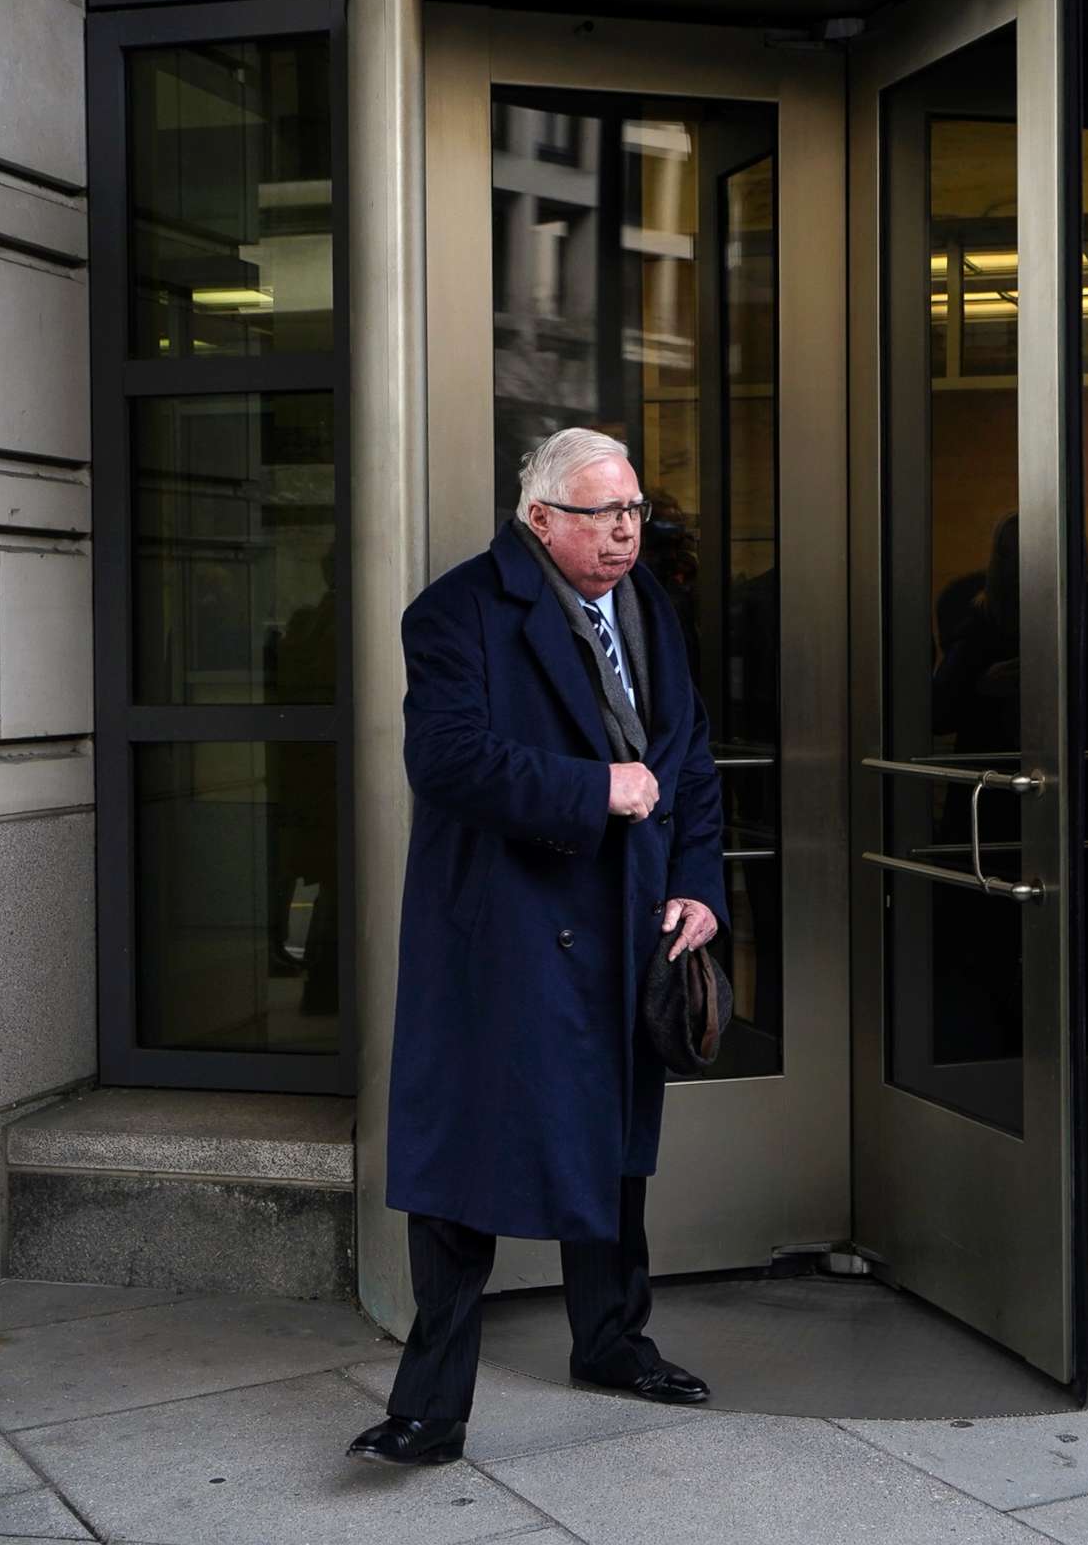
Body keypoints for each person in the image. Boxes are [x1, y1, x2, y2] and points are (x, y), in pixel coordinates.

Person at [347, 427, 729, 1470]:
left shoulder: (649, 605)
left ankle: (612, 1343)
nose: (624, 534)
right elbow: (449, 759)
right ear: (540, 519)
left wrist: (700, 884)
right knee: (468, 1167)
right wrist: (593, 790)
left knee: (613, 1152)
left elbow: (689, 758)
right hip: (508, 930)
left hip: (631, 918)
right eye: (602, 515)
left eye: (635, 512)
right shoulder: (457, 610)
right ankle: (430, 1408)